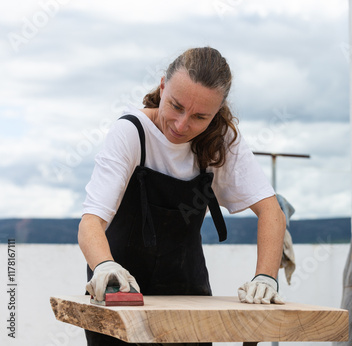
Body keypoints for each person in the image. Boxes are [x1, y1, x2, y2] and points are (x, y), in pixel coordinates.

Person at [78, 47, 286, 345]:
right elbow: (90, 223)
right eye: (176, 106)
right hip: (118, 296)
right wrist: (104, 266)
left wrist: (266, 277)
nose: (181, 125)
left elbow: (272, 212)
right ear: (162, 86)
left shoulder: (222, 141)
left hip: (189, 299)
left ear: (217, 112)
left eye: (200, 117)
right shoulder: (131, 133)